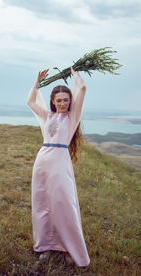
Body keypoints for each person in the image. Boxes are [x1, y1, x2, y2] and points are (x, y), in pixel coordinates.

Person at [27, 66, 90, 267]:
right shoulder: (47, 116)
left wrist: (76, 74)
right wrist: (37, 83)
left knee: (65, 204)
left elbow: (83, 89)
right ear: (53, 102)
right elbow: (30, 101)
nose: (63, 103)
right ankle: (45, 245)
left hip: (60, 163)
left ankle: (69, 247)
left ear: (70, 101)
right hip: (42, 162)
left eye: (66, 100)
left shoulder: (72, 117)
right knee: (42, 203)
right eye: (59, 100)